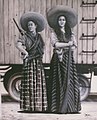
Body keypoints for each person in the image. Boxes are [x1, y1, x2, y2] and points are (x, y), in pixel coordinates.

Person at [46, 5, 81, 114]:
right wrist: (67, 45)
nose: (62, 21)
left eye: (63, 20)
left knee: (70, 81)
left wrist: (69, 46)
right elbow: (55, 44)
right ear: (57, 22)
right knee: (58, 81)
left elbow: (75, 45)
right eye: (60, 20)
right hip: (58, 60)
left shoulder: (71, 33)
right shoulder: (53, 33)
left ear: (66, 21)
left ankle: (70, 107)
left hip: (68, 59)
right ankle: (58, 107)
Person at [16, 12, 48, 112]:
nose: (30, 27)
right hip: (29, 62)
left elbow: (42, 48)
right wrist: (24, 52)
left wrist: (39, 54)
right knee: (29, 84)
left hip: (38, 63)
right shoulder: (25, 36)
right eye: (29, 25)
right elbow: (18, 45)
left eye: (32, 25)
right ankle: (28, 107)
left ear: (36, 26)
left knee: (38, 83)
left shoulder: (39, 37)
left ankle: (38, 107)